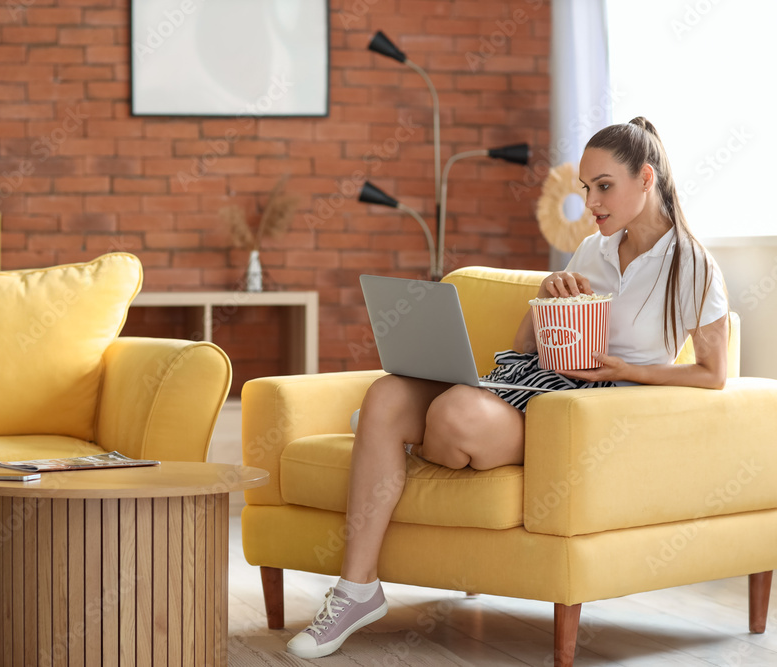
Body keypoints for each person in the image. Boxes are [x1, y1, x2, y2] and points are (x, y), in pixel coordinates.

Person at [286, 117, 730, 659]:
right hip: (527, 378)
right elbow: (526, 345)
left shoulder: (692, 264)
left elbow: (712, 373)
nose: (592, 202)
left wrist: (625, 368)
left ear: (646, 178)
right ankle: (357, 591)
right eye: (587, 189)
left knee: (452, 415)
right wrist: (545, 295)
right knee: (385, 394)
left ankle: (400, 440)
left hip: (582, 412)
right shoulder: (593, 249)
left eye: (604, 186)